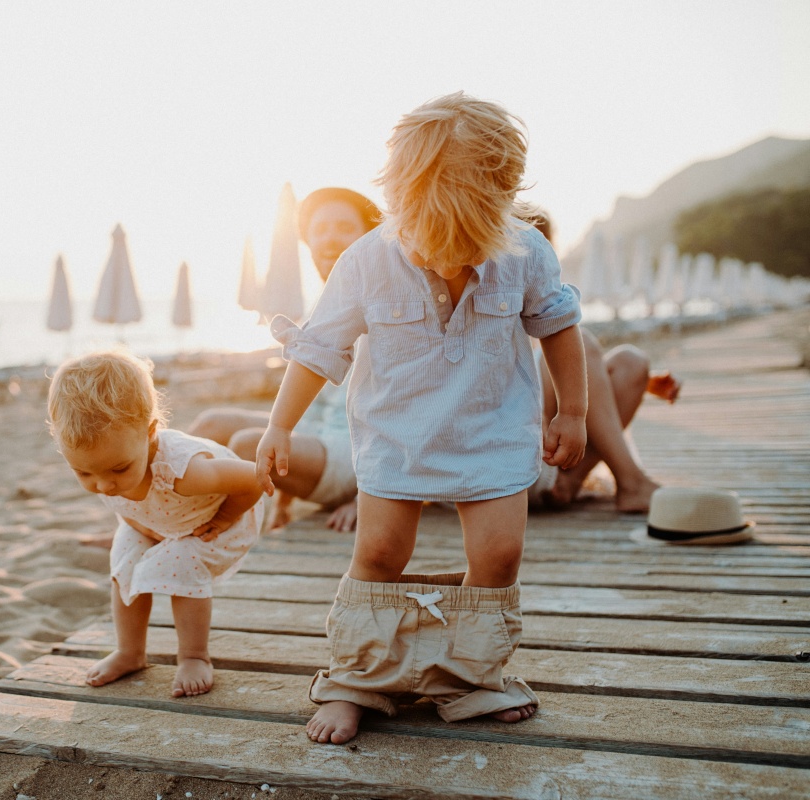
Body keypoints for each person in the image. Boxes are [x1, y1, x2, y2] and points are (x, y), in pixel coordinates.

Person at [255, 92, 588, 743]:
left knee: (498, 556)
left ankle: (470, 678)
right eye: (435, 244)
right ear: (401, 205)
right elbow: (318, 349)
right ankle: (359, 678)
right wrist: (278, 425)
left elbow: (560, 327)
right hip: (396, 438)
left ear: (501, 205)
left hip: (492, 434)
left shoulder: (525, 251)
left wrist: (572, 411)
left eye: (469, 246)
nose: (450, 261)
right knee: (380, 553)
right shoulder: (367, 260)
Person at [47, 350, 267, 699]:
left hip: (218, 517)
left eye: (119, 469)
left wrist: (225, 518)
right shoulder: (107, 461)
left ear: (149, 433)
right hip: (157, 519)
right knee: (124, 563)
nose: (103, 485)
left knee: (182, 561)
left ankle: (194, 655)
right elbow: (125, 496)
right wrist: (138, 520)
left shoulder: (186, 472)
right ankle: (130, 652)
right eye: (84, 473)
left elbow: (255, 479)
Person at [189, 187, 381, 532]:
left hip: (355, 455)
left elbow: (407, 411)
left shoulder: (383, 299)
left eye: (343, 227)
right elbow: (310, 404)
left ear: (369, 236)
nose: (330, 238)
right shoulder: (323, 302)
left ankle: (188, 531)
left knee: (246, 445)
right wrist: (284, 500)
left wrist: (367, 499)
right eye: (319, 230)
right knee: (209, 423)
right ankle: (152, 521)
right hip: (314, 436)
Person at [525, 211, 681, 513]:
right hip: (508, 455)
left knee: (631, 363)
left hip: (553, 455)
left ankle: (569, 484)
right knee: (580, 341)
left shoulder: (539, 299)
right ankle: (632, 481)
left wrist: (646, 385)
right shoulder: (488, 288)